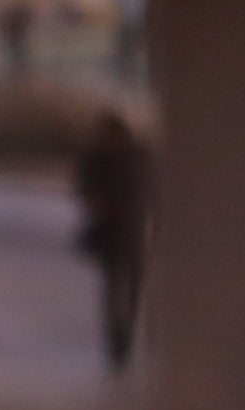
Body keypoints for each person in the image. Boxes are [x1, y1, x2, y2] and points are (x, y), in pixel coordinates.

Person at [72, 112, 149, 372]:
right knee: (126, 289)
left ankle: (120, 342)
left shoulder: (98, 157)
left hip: (118, 234)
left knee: (116, 289)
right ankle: (122, 341)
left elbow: (84, 190)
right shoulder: (139, 156)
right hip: (132, 234)